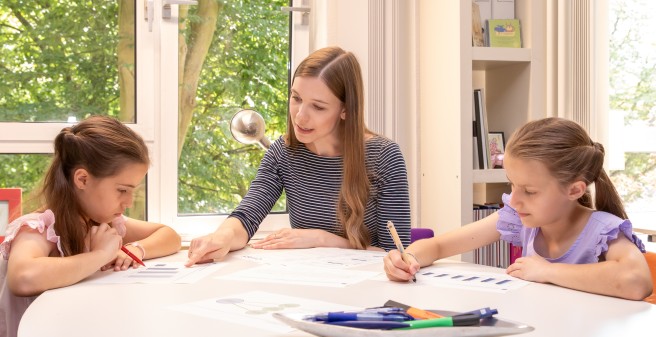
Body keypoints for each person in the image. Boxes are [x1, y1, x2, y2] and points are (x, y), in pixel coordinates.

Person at [185, 46, 411, 266]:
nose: (300, 116)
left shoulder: (384, 157)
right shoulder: (283, 152)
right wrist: (221, 238)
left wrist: (321, 239)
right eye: (296, 98)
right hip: (305, 280)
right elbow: (247, 215)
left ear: (346, 110)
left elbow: (397, 255)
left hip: (367, 287)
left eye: (318, 107)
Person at [384, 117, 653, 301]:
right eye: (512, 185)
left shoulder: (603, 230)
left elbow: (636, 281)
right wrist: (406, 258)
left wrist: (547, 271)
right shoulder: (518, 217)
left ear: (575, 190)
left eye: (530, 191)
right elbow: (438, 246)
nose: (515, 199)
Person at [0, 115, 182, 337]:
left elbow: (169, 235)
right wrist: (101, 254)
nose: (129, 202)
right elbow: (23, 278)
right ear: (83, 180)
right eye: (122, 190)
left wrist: (134, 249)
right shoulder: (38, 228)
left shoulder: (104, 222)